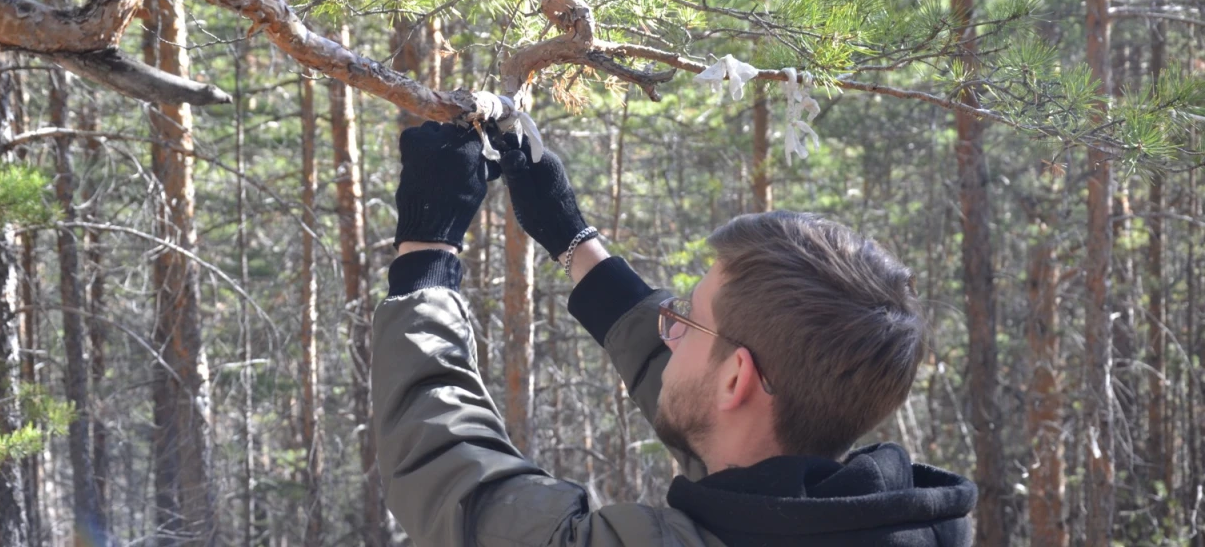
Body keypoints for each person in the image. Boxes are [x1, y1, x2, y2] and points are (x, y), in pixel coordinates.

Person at [374, 121, 976, 547]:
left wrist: (428, 253)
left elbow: (456, 482)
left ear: (738, 377)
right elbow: (708, 397)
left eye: (684, 321)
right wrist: (575, 242)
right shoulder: (877, 519)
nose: (668, 333)